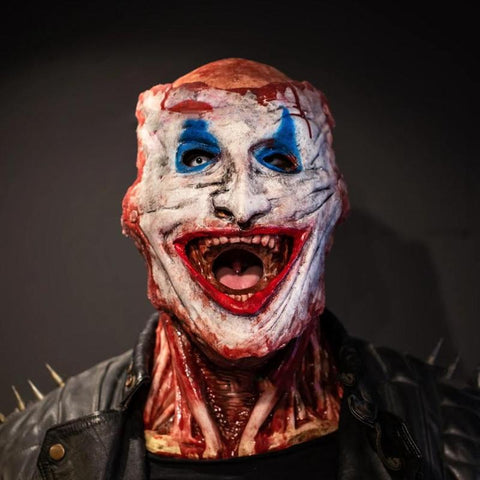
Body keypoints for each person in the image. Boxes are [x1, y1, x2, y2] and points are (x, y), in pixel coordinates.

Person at [0, 58, 478, 480]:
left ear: (334, 204)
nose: (242, 203)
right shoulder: (25, 450)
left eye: (279, 160)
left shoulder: (461, 434)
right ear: (137, 214)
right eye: (196, 158)